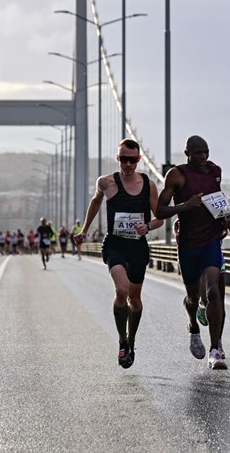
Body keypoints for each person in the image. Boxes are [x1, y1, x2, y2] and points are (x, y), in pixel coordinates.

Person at [156, 135, 230, 370]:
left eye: (206, 152)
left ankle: (216, 349)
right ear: (187, 154)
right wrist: (185, 206)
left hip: (212, 240)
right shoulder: (177, 175)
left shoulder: (215, 171)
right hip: (188, 244)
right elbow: (159, 210)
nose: (203, 157)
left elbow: (218, 201)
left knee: (214, 292)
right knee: (193, 297)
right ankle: (193, 325)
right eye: (198, 153)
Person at [81, 139, 163, 368]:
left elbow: (160, 218)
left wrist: (147, 226)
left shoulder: (149, 184)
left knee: (135, 301)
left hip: (138, 247)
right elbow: (95, 202)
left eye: (133, 160)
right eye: (123, 159)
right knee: (121, 290)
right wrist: (84, 231)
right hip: (114, 244)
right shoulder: (106, 182)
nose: (128, 164)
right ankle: (122, 340)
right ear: (117, 159)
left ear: (139, 160)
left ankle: (132, 339)